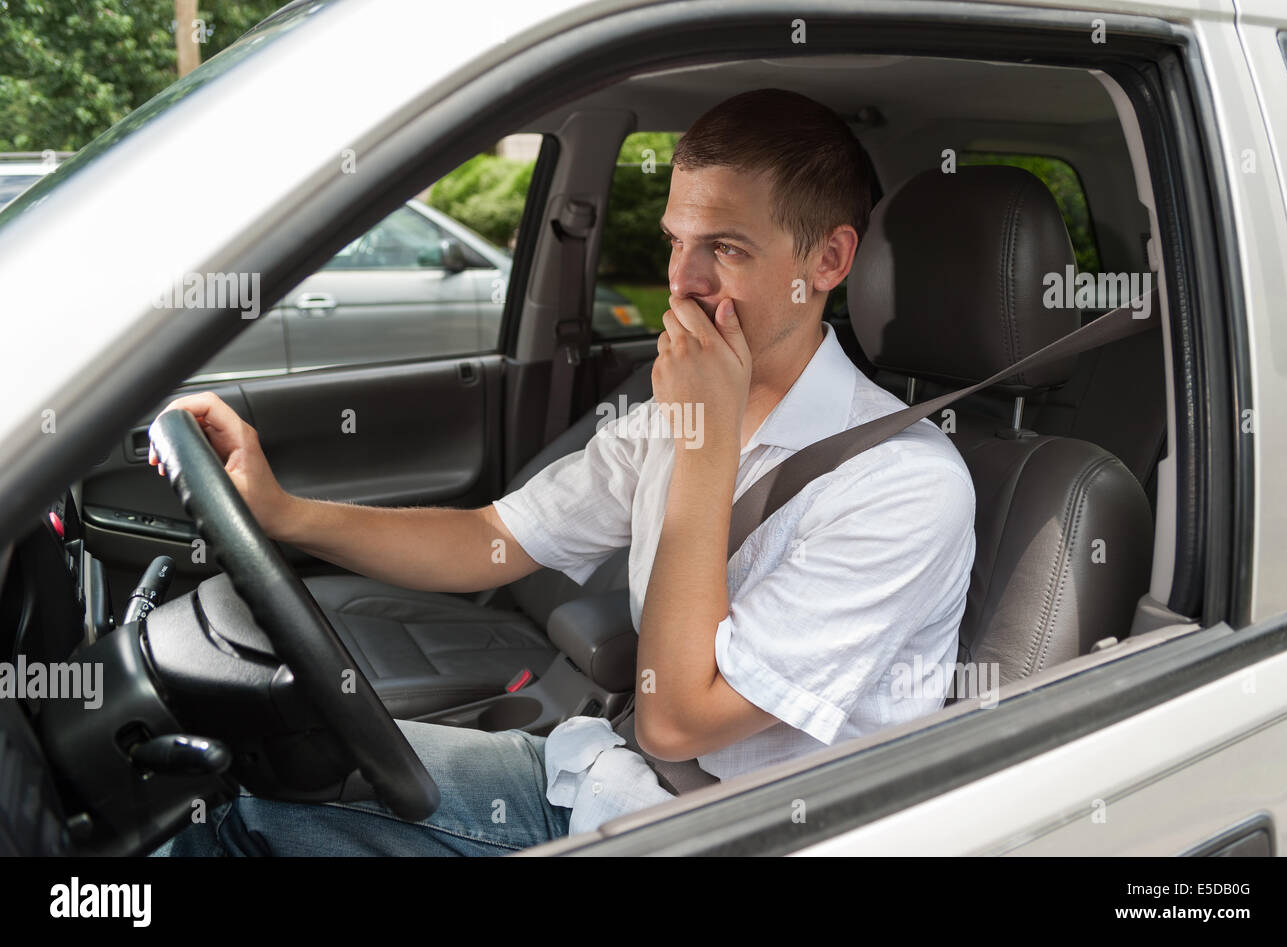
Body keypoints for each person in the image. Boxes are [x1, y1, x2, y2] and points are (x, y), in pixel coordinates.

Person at [151, 88, 976, 856]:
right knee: (246, 781)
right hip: (600, 778)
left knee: (253, 813)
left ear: (827, 261)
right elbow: (491, 540)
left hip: (721, 832)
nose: (681, 282)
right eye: (676, 242)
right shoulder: (671, 415)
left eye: (724, 247)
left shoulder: (904, 484)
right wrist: (285, 514)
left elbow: (680, 719)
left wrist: (702, 439)